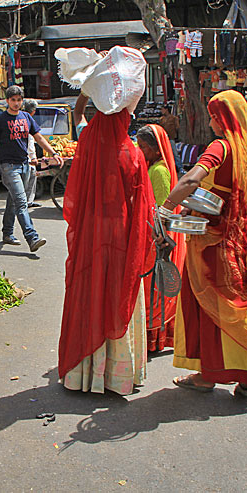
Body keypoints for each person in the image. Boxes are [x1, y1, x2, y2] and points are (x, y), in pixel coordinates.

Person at [161, 90, 247, 398]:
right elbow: (219, 197)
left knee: (207, 306)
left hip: (210, 244)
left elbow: (192, 181)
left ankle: (207, 376)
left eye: (212, 115)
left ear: (222, 119)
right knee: (238, 305)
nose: (210, 121)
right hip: (238, 242)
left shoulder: (220, 147)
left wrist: (167, 207)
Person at [58, 95, 153, 395]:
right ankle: (117, 376)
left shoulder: (87, 143)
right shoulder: (133, 154)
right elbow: (143, 207)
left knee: (90, 291)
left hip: (91, 235)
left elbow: (78, 114)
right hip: (121, 238)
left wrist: (88, 92)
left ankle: (82, 374)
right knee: (117, 294)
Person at [0, 85, 61, 251]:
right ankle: (32, 237)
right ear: (7, 101)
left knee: (13, 201)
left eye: (19, 100)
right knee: (21, 202)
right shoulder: (0, 120)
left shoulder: (26, 117)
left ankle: (7, 233)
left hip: (25, 165)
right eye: (13, 100)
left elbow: (39, 137)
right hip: (8, 167)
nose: (16, 103)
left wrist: (53, 153)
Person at [135, 125, 186, 352]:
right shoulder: (153, 167)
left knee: (154, 289)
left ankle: (154, 338)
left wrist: (160, 238)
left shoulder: (158, 171)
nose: (141, 151)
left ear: (156, 150)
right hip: (154, 235)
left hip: (158, 239)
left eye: (144, 147)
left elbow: (163, 208)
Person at [22, 98, 41, 208]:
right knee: (28, 179)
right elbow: (29, 141)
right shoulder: (27, 120)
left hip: (24, 157)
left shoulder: (22, 118)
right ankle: (26, 201)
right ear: (33, 111)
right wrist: (33, 157)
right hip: (27, 158)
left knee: (30, 179)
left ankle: (28, 200)